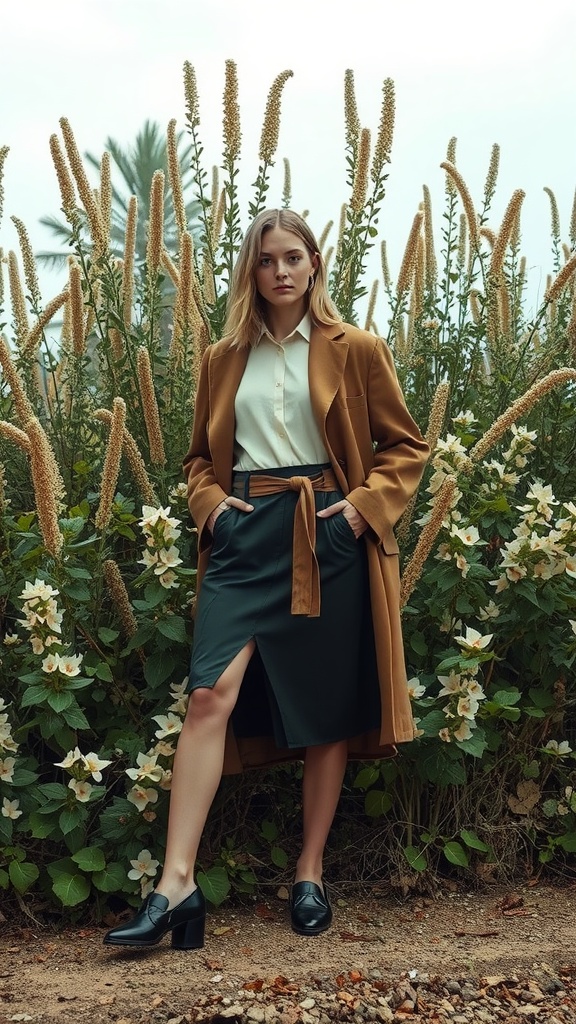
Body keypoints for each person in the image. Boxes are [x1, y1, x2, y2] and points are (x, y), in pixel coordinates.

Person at [103, 208, 430, 951]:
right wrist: (213, 509)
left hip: (328, 533)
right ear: (250, 272)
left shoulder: (356, 349)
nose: (280, 271)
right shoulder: (224, 357)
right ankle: (175, 885)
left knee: (324, 709)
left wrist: (359, 514)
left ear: (315, 264)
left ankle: (309, 872)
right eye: (265, 260)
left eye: (293, 257)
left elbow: (407, 447)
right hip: (245, 534)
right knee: (210, 694)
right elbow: (195, 460)